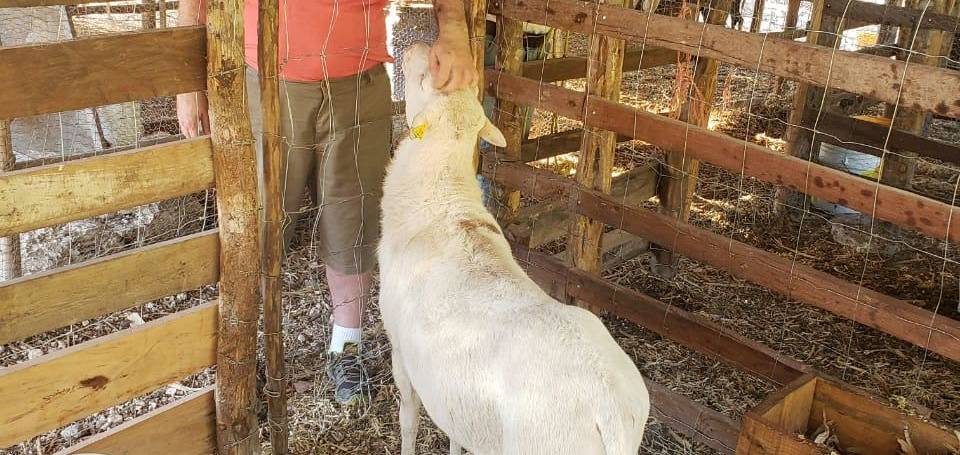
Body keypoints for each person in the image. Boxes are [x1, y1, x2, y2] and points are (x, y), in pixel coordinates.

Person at [176, 0, 478, 405]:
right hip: (261, 78)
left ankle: (346, 345)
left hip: (358, 83)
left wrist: (454, 29)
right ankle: (245, 350)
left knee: (354, 220)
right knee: (257, 223)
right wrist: (188, 81)